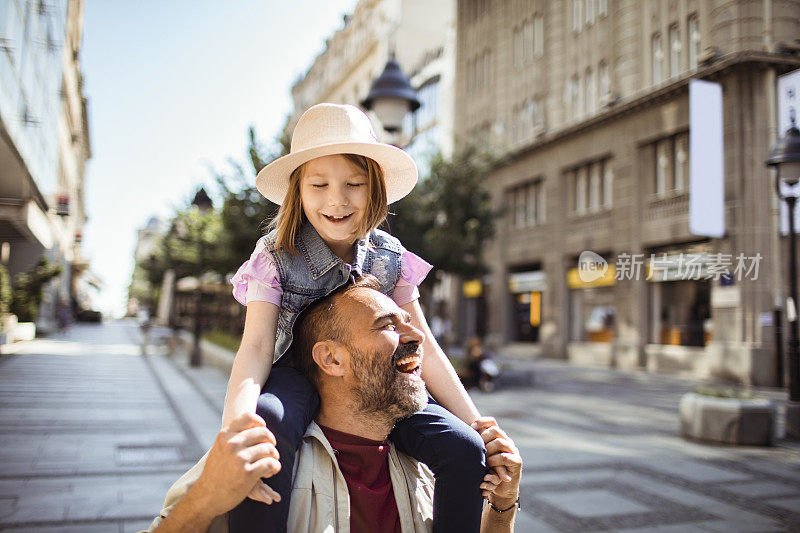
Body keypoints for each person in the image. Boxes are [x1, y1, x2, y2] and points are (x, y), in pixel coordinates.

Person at [222, 103, 498, 532]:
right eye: (319, 184)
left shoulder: (391, 257)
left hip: (375, 385)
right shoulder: (274, 256)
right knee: (267, 429)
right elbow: (255, 347)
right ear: (298, 191)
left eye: (354, 183)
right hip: (296, 377)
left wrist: (478, 424)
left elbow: (422, 339)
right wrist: (235, 431)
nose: (337, 199)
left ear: (375, 191)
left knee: (464, 449)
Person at [147, 276, 522, 532]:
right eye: (388, 325)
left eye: (408, 320)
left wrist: (502, 507)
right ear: (332, 359)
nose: (418, 335)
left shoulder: (431, 462)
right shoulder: (260, 459)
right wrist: (205, 499)